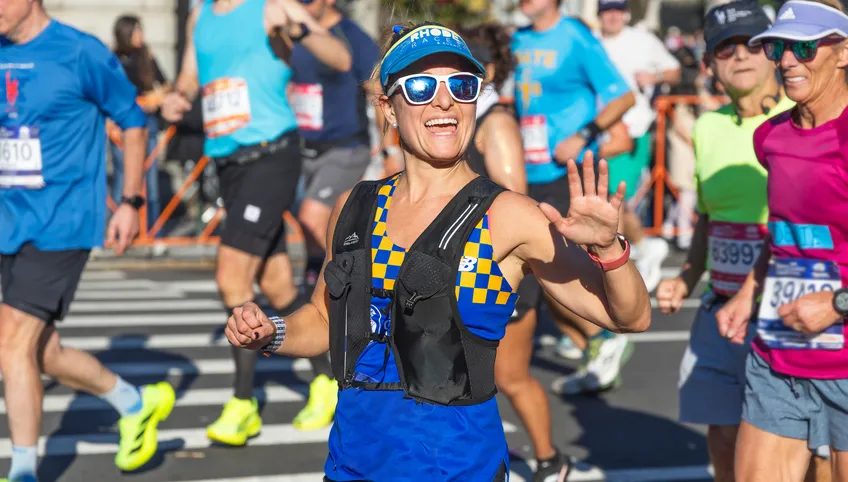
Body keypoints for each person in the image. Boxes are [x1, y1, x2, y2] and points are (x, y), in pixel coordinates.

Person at [225, 21, 651, 482]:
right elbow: (325, 320)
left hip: (459, 468)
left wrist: (609, 248)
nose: (444, 100)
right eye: (422, 85)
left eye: (462, 86)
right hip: (351, 465)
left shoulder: (507, 214)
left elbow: (630, 317)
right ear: (388, 107)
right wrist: (272, 330)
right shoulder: (355, 207)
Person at [160, 0, 353, 446]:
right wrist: (180, 95)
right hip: (228, 162)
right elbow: (192, 75)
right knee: (279, 286)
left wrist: (297, 31)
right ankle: (329, 382)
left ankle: (243, 405)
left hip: (271, 154)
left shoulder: (273, 4)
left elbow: (340, 58)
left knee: (232, 278)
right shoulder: (200, 15)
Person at [0, 1, 176, 480]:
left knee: (12, 341)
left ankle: (22, 471)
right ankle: (134, 401)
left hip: (62, 222)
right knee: (41, 350)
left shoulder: (80, 52)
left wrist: (131, 201)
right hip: (7, 220)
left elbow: (134, 122)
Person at [655, 2, 812, 481]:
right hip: (718, 307)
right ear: (709, 65)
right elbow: (709, 217)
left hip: (783, 310)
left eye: (752, 44)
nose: (740, 56)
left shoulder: (803, 117)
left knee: (792, 448)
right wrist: (685, 278)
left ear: (774, 53)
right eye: (726, 49)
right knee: (722, 437)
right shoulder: (707, 126)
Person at [717, 0, 848, 479]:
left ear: (844, 52)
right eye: (778, 48)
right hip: (778, 352)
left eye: (805, 47)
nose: (788, 61)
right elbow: (784, 236)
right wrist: (747, 295)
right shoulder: (771, 137)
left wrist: (837, 304)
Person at [511, 0, 639, 402]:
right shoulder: (516, 39)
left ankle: (602, 334)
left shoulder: (575, 37)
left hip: (564, 175)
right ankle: (597, 347)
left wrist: (583, 135)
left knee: (553, 272)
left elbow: (623, 97)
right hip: (524, 172)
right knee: (541, 278)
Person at [288, 0, 380, 432]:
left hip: (346, 146)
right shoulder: (290, 33)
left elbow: (377, 86)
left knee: (313, 216)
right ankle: (321, 279)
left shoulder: (351, 36)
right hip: (303, 145)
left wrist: (393, 142)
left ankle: (336, 290)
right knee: (309, 232)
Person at [595, 0, 679, 292]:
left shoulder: (643, 40)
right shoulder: (591, 42)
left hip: (634, 130)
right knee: (610, 201)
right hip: (599, 132)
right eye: (607, 10)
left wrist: (654, 77)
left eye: (618, 9)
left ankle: (617, 277)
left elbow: (675, 70)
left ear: (626, 13)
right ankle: (644, 246)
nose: (613, 16)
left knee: (614, 202)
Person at [109, 14, 169, 234]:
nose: (141, 35)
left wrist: (154, 98)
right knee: (123, 178)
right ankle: (119, 230)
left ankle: (152, 232)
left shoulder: (147, 56)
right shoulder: (113, 59)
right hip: (121, 126)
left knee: (150, 183)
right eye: (137, 30)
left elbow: (165, 85)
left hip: (146, 122)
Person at [455, 23, 527, 194]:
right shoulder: (464, 116)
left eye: (468, 66)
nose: (458, 73)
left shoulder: (497, 123)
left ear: (489, 71)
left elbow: (515, 198)